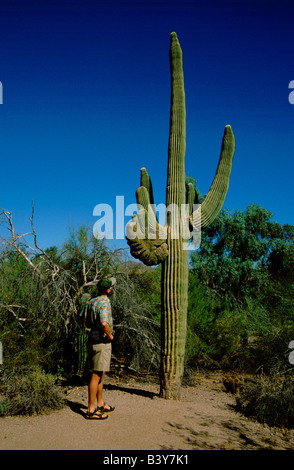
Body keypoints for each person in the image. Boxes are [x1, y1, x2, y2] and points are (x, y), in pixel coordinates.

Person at [85, 277, 116, 420]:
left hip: (92, 339)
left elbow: (81, 318)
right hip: (102, 342)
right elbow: (104, 323)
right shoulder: (104, 303)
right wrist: (109, 334)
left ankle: (100, 403)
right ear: (108, 290)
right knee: (96, 375)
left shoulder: (91, 301)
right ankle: (91, 410)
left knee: (100, 373)